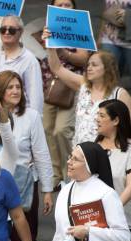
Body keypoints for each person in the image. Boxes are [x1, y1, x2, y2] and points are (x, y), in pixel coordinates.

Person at [0, 71, 53, 241]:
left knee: (24, 240)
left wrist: (48, 189)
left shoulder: (31, 116)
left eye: (18, 87)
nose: (15, 91)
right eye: (10, 87)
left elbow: (41, 153)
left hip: (23, 185)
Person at [43, 28, 131, 146]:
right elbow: (57, 68)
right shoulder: (83, 85)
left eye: (94, 65)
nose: (89, 68)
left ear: (107, 69)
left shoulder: (120, 94)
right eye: (88, 64)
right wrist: (50, 46)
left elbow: (128, 129)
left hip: (105, 155)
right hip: (80, 153)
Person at [39, 0, 90, 192]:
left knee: (62, 131)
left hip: (72, 85)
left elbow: (84, 58)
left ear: (74, 8)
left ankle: (71, 172)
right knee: (47, 130)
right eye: (59, 5)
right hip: (50, 84)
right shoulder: (49, 26)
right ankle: (55, 175)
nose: (64, 8)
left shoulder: (80, 26)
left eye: (68, 4)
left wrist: (62, 51)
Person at [49, 142, 131, 241]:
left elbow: (124, 236)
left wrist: (88, 232)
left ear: (89, 165)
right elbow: (59, 235)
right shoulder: (64, 191)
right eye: (70, 157)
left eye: (75, 159)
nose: (69, 162)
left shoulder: (106, 194)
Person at [95, 99, 131, 241]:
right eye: (97, 115)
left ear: (116, 120)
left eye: (102, 115)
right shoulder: (91, 148)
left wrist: (111, 209)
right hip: (95, 224)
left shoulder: (129, 150)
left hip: (122, 223)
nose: (97, 119)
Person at [100, 0, 131, 77]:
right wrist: (99, 37)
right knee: (108, 73)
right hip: (108, 39)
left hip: (129, 40)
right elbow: (103, 13)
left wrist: (127, 14)